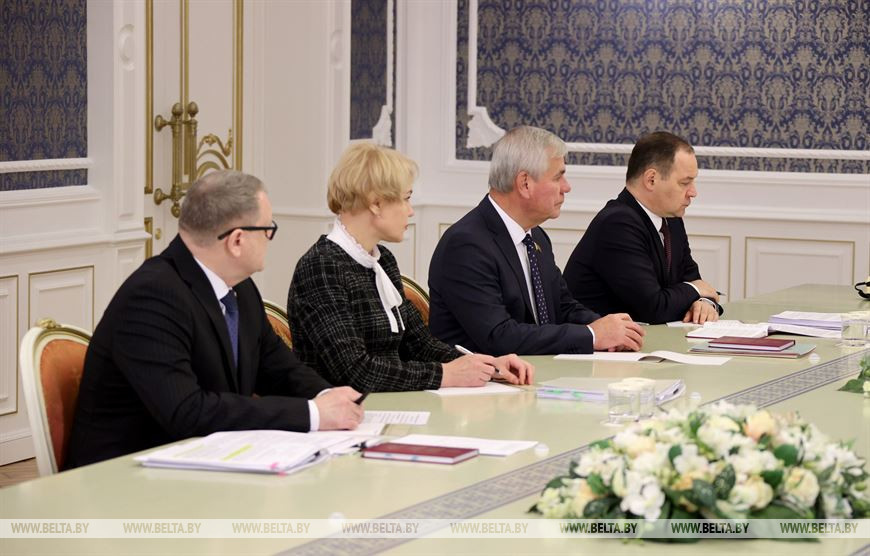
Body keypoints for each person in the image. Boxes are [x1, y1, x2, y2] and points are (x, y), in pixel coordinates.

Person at [66, 170, 363, 469]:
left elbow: (277, 367)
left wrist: (328, 396)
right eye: (267, 230)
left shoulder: (240, 288)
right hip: (122, 475)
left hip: (203, 460)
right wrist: (313, 414)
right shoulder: (152, 296)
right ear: (237, 241)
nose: (270, 238)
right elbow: (187, 412)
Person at [287, 143, 534, 392]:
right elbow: (355, 372)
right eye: (406, 199)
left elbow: (419, 343)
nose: (411, 211)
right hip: (344, 412)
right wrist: (444, 375)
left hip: (388, 405)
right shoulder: (321, 268)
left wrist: (488, 366)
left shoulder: (383, 261)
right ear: (375, 204)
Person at [428, 126, 645, 356]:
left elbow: (562, 307)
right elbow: (499, 337)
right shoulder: (466, 245)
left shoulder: (536, 236)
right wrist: (592, 335)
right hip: (487, 375)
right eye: (558, 177)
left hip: (536, 369)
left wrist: (609, 329)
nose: (566, 187)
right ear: (525, 183)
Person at [562, 131, 724, 324]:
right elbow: (654, 308)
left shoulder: (671, 220)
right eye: (685, 183)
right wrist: (696, 290)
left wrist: (704, 302)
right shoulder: (618, 224)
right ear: (651, 180)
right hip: (594, 341)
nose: (693, 192)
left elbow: (694, 281)